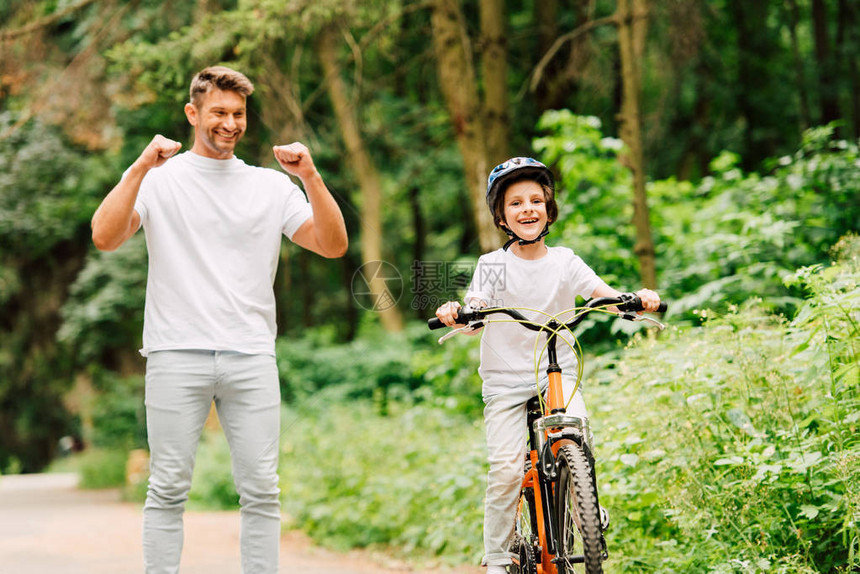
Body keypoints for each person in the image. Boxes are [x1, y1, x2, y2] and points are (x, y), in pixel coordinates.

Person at [91, 65, 348, 574]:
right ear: (193, 113)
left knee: (261, 491)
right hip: (174, 352)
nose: (229, 124)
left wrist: (310, 177)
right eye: (218, 113)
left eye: (238, 114)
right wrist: (140, 165)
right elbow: (105, 235)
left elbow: (332, 244)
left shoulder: (270, 187)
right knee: (167, 488)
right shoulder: (159, 180)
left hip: (251, 355)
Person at [434, 157, 660, 574]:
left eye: (535, 200)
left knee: (575, 433)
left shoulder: (565, 261)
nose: (527, 209)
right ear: (501, 216)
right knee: (505, 466)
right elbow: (477, 309)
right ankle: (499, 559)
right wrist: (459, 313)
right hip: (505, 379)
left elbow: (603, 293)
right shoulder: (493, 266)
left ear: (548, 209)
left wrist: (635, 299)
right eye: (515, 203)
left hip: (557, 370)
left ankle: (584, 511)